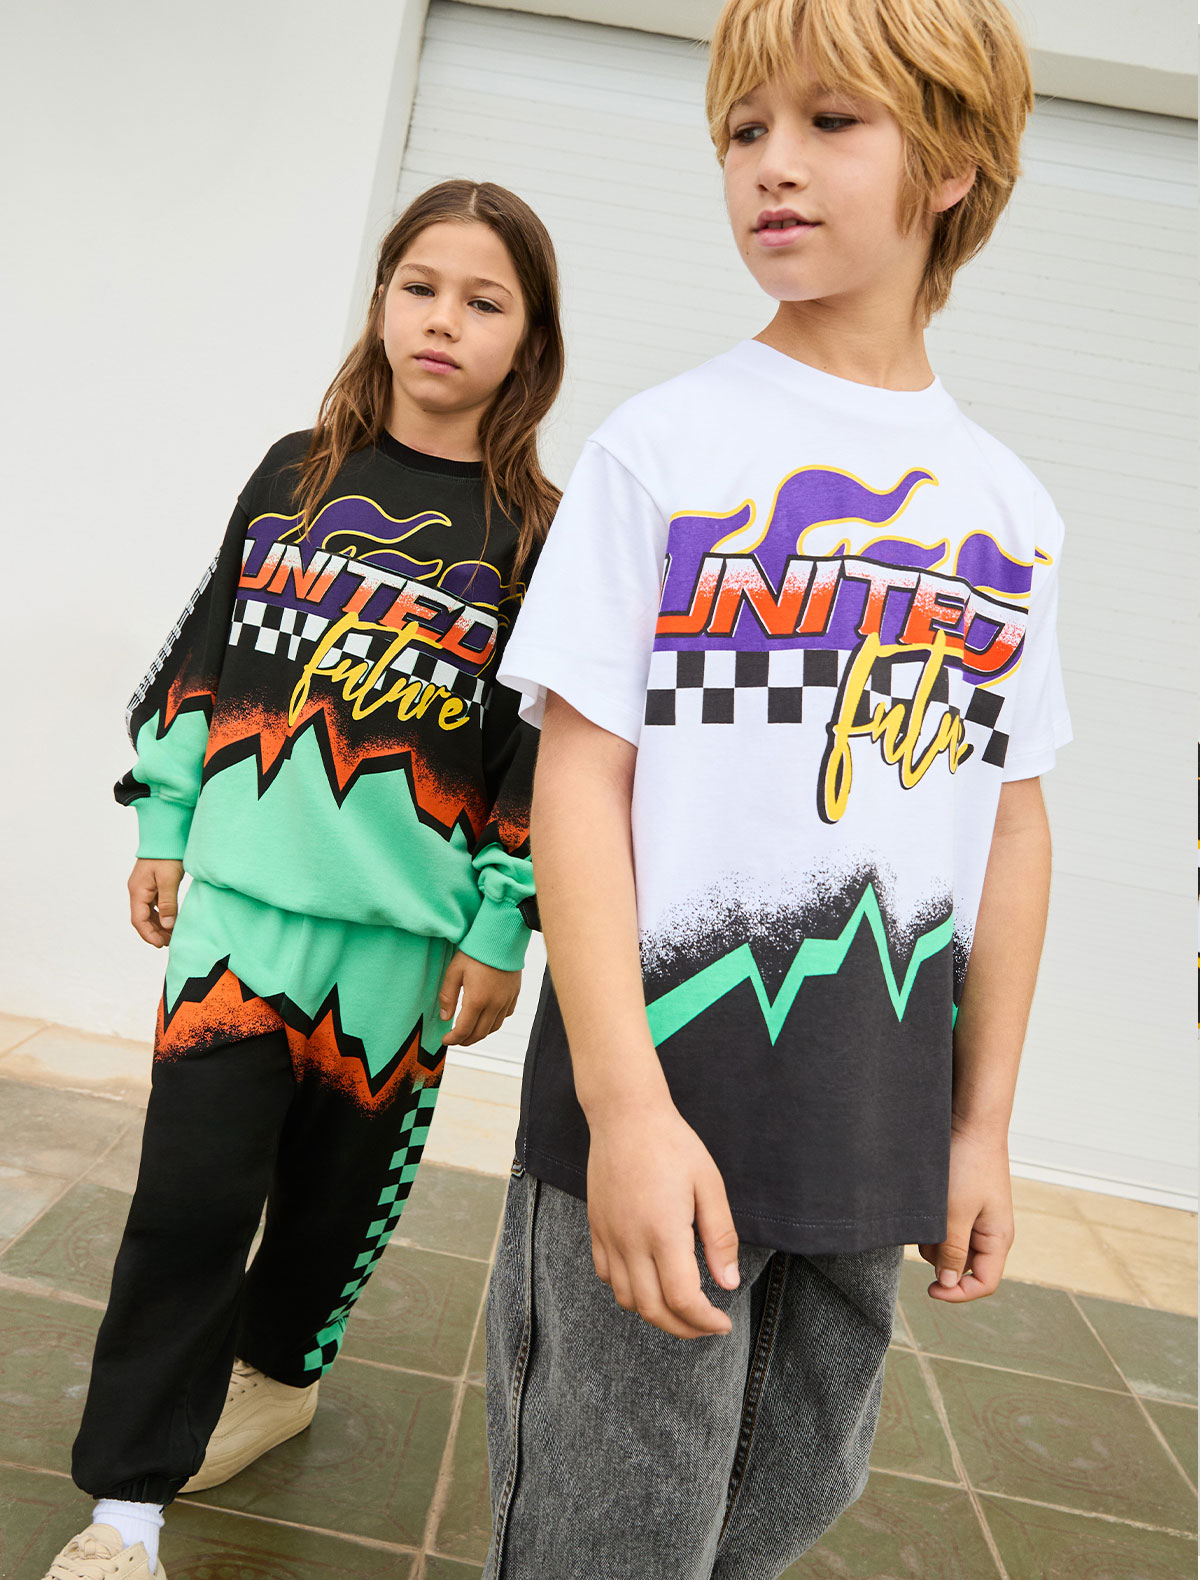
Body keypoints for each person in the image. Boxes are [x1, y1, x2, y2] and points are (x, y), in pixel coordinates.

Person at [483, 0, 1071, 1575]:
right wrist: (623, 1108)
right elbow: (578, 785)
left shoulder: (1011, 509)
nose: (772, 164)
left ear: (950, 162)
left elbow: (1011, 822)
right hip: (660, 1115)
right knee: (612, 1536)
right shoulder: (663, 451)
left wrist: (981, 1123)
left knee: (774, 1514)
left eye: (830, 122)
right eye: (746, 130)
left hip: (873, 1132)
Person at [42, 179, 564, 1580]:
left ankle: (279, 1376)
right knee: (188, 1205)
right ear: (383, 298)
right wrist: (163, 818)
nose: (443, 320)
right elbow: (207, 649)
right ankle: (127, 1509)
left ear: (530, 339)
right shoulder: (296, 473)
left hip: (401, 948)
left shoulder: (538, 535)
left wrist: (502, 923)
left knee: (334, 1208)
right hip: (237, 913)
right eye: (420, 287)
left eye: (485, 301)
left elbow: (538, 754)